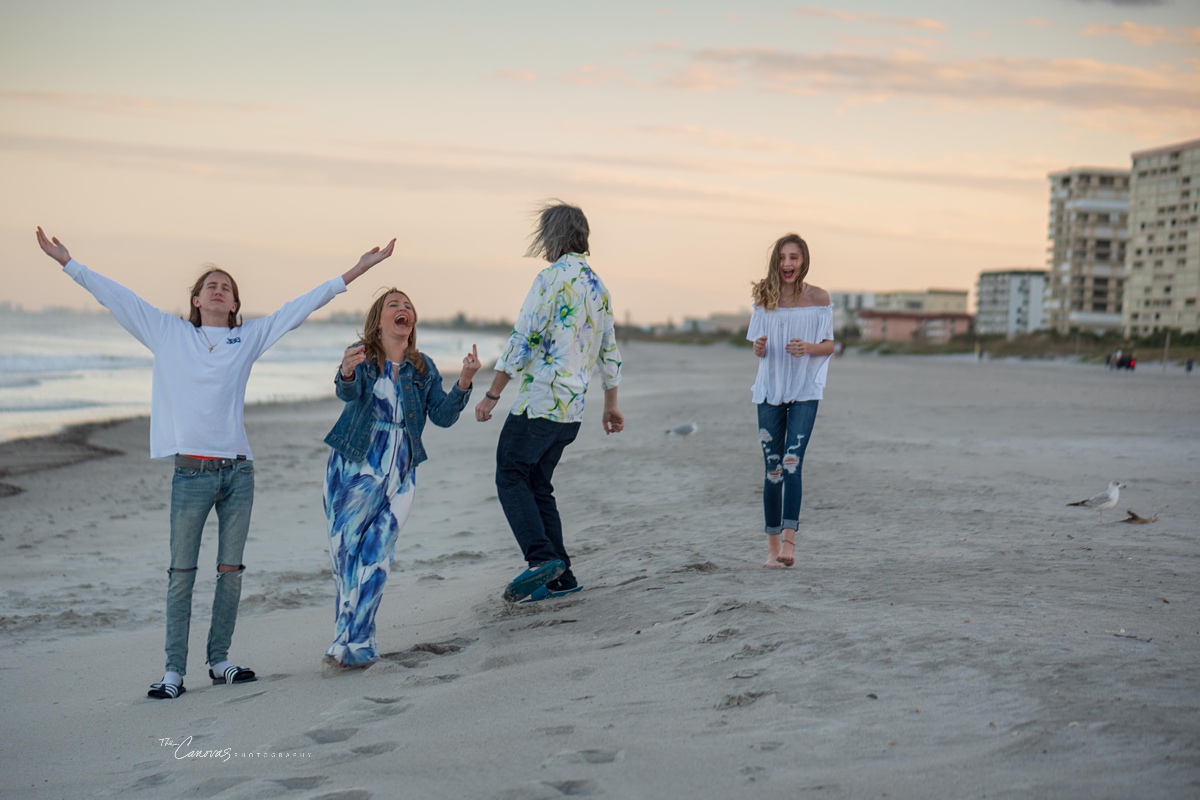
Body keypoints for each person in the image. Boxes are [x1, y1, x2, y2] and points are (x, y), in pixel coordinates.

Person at [35, 226, 395, 699]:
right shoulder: (167, 333)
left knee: (230, 572)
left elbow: (298, 308)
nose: (219, 290)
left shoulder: (245, 340)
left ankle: (219, 660)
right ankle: (172, 673)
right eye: (211, 285)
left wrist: (357, 270)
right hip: (191, 474)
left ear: (233, 304)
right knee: (181, 574)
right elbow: (117, 298)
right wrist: (68, 262)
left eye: (227, 287)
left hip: (238, 473)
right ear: (198, 299)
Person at [474, 201, 623, 603]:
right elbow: (609, 350)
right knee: (538, 485)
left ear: (552, 235)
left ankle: (540, 560)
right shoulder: (598, 287)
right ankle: (561, 578)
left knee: (510, 474)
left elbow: (525, 337)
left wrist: (493, 393)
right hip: (571, 412)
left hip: (541, 402)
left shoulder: (551, 279)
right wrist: (611, 403)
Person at [322, 289, 478, 668]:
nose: (403, 309)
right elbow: (348, 390)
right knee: (348, 557)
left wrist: (464, 382)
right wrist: (345, 370)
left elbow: (441, 416)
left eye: (408, 305)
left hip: (402, 471)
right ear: (379, 320)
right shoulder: (362, 358)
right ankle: (354, 642)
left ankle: (353, 642)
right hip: (354, 466)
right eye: (394, 304)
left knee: (377, 556)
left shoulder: (421, 367)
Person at [748, 233, 835, 569]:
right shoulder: (763, 296)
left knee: (791, 463)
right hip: (769, 390)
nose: (788, 264)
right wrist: (758, 347)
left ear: (803, 261)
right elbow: (757, 344)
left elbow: (829, 345)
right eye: (783, 257)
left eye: (794, 258)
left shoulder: (819, 297)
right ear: (776, 261)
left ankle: (789, 543)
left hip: (805, 391)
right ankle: (771, 550)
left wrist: (809, 348)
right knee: (772, 470)